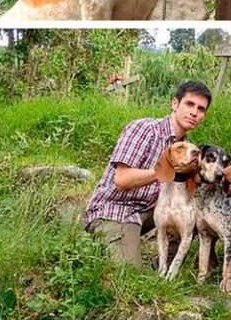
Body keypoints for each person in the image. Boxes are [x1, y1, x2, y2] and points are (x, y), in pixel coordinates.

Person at [83, 80, 212, 266]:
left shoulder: (188, 150)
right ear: (174, 104)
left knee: (193, 214)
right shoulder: (144, 129)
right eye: (189, 104)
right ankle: (102, 239)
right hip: (116, 210)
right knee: (128, 275)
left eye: (201, 109)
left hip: (151, 212)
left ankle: (160, 268)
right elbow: (121, 179)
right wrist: (164, 170)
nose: (194, 112)